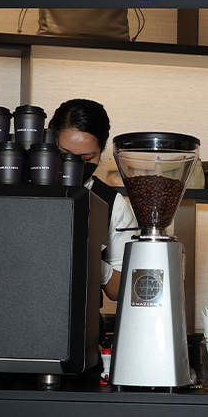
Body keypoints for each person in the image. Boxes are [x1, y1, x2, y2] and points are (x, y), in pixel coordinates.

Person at [50, 98, 136, 302]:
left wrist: (97, 266)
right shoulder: (21, 184)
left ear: (101, 153)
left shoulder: (112, 204)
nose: (73, 164)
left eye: (86, 159)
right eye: (64, 154)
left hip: (79, 313)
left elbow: (122, 290)